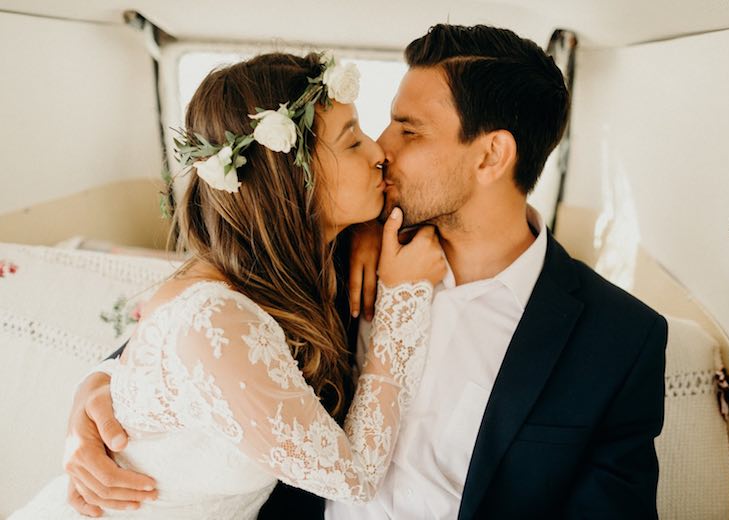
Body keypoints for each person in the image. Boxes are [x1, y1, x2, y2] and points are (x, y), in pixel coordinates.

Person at [63, 24, 668, 519]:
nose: (382, 145)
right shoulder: (332, 249)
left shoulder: (619, 341)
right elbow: (196, 335)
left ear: (490, 155)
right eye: (377, 126)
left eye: (409, 129)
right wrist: (95, 392)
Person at [9, 51, 446, 519]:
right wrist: (404, 298)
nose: (379, 151)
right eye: (352, 140)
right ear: (292, 180)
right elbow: (354, 477)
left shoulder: (297, 264)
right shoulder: (212, 314)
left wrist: (363, 228)